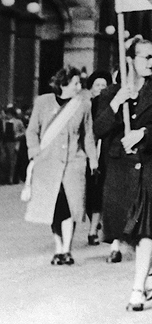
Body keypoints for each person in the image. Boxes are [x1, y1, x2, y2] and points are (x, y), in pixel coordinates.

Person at [94, 38, 152, 312]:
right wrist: (117, 103)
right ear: (129, 59)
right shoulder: (111, 93)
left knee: (146, 230)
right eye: (146, 57)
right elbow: (99, 129)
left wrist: (143, 133)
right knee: (121, 230)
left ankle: (137, 290)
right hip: (120, 168)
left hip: (151, 165)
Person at [25, 66, 98, 265]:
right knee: (55, 208)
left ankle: (67, 250)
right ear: (63, 83)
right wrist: (34, 152)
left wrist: (93, 159)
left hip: (74, 164)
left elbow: (88, 134)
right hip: (47, 164)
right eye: (76, 83)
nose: (79, 86)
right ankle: (58, 248)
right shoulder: (43, 102)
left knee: (70, 207)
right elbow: (32, 131)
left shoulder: (83, 105)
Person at [84, 70, 111, 246]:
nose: (100, 89)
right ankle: (94, 220)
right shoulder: (85, 106)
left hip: (104, 152)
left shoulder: (110, 106)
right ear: (92, 88)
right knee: (87, 193)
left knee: (97, 191)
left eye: (104, 85)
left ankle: (93, 229)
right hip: (86, 151)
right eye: (97, 85)